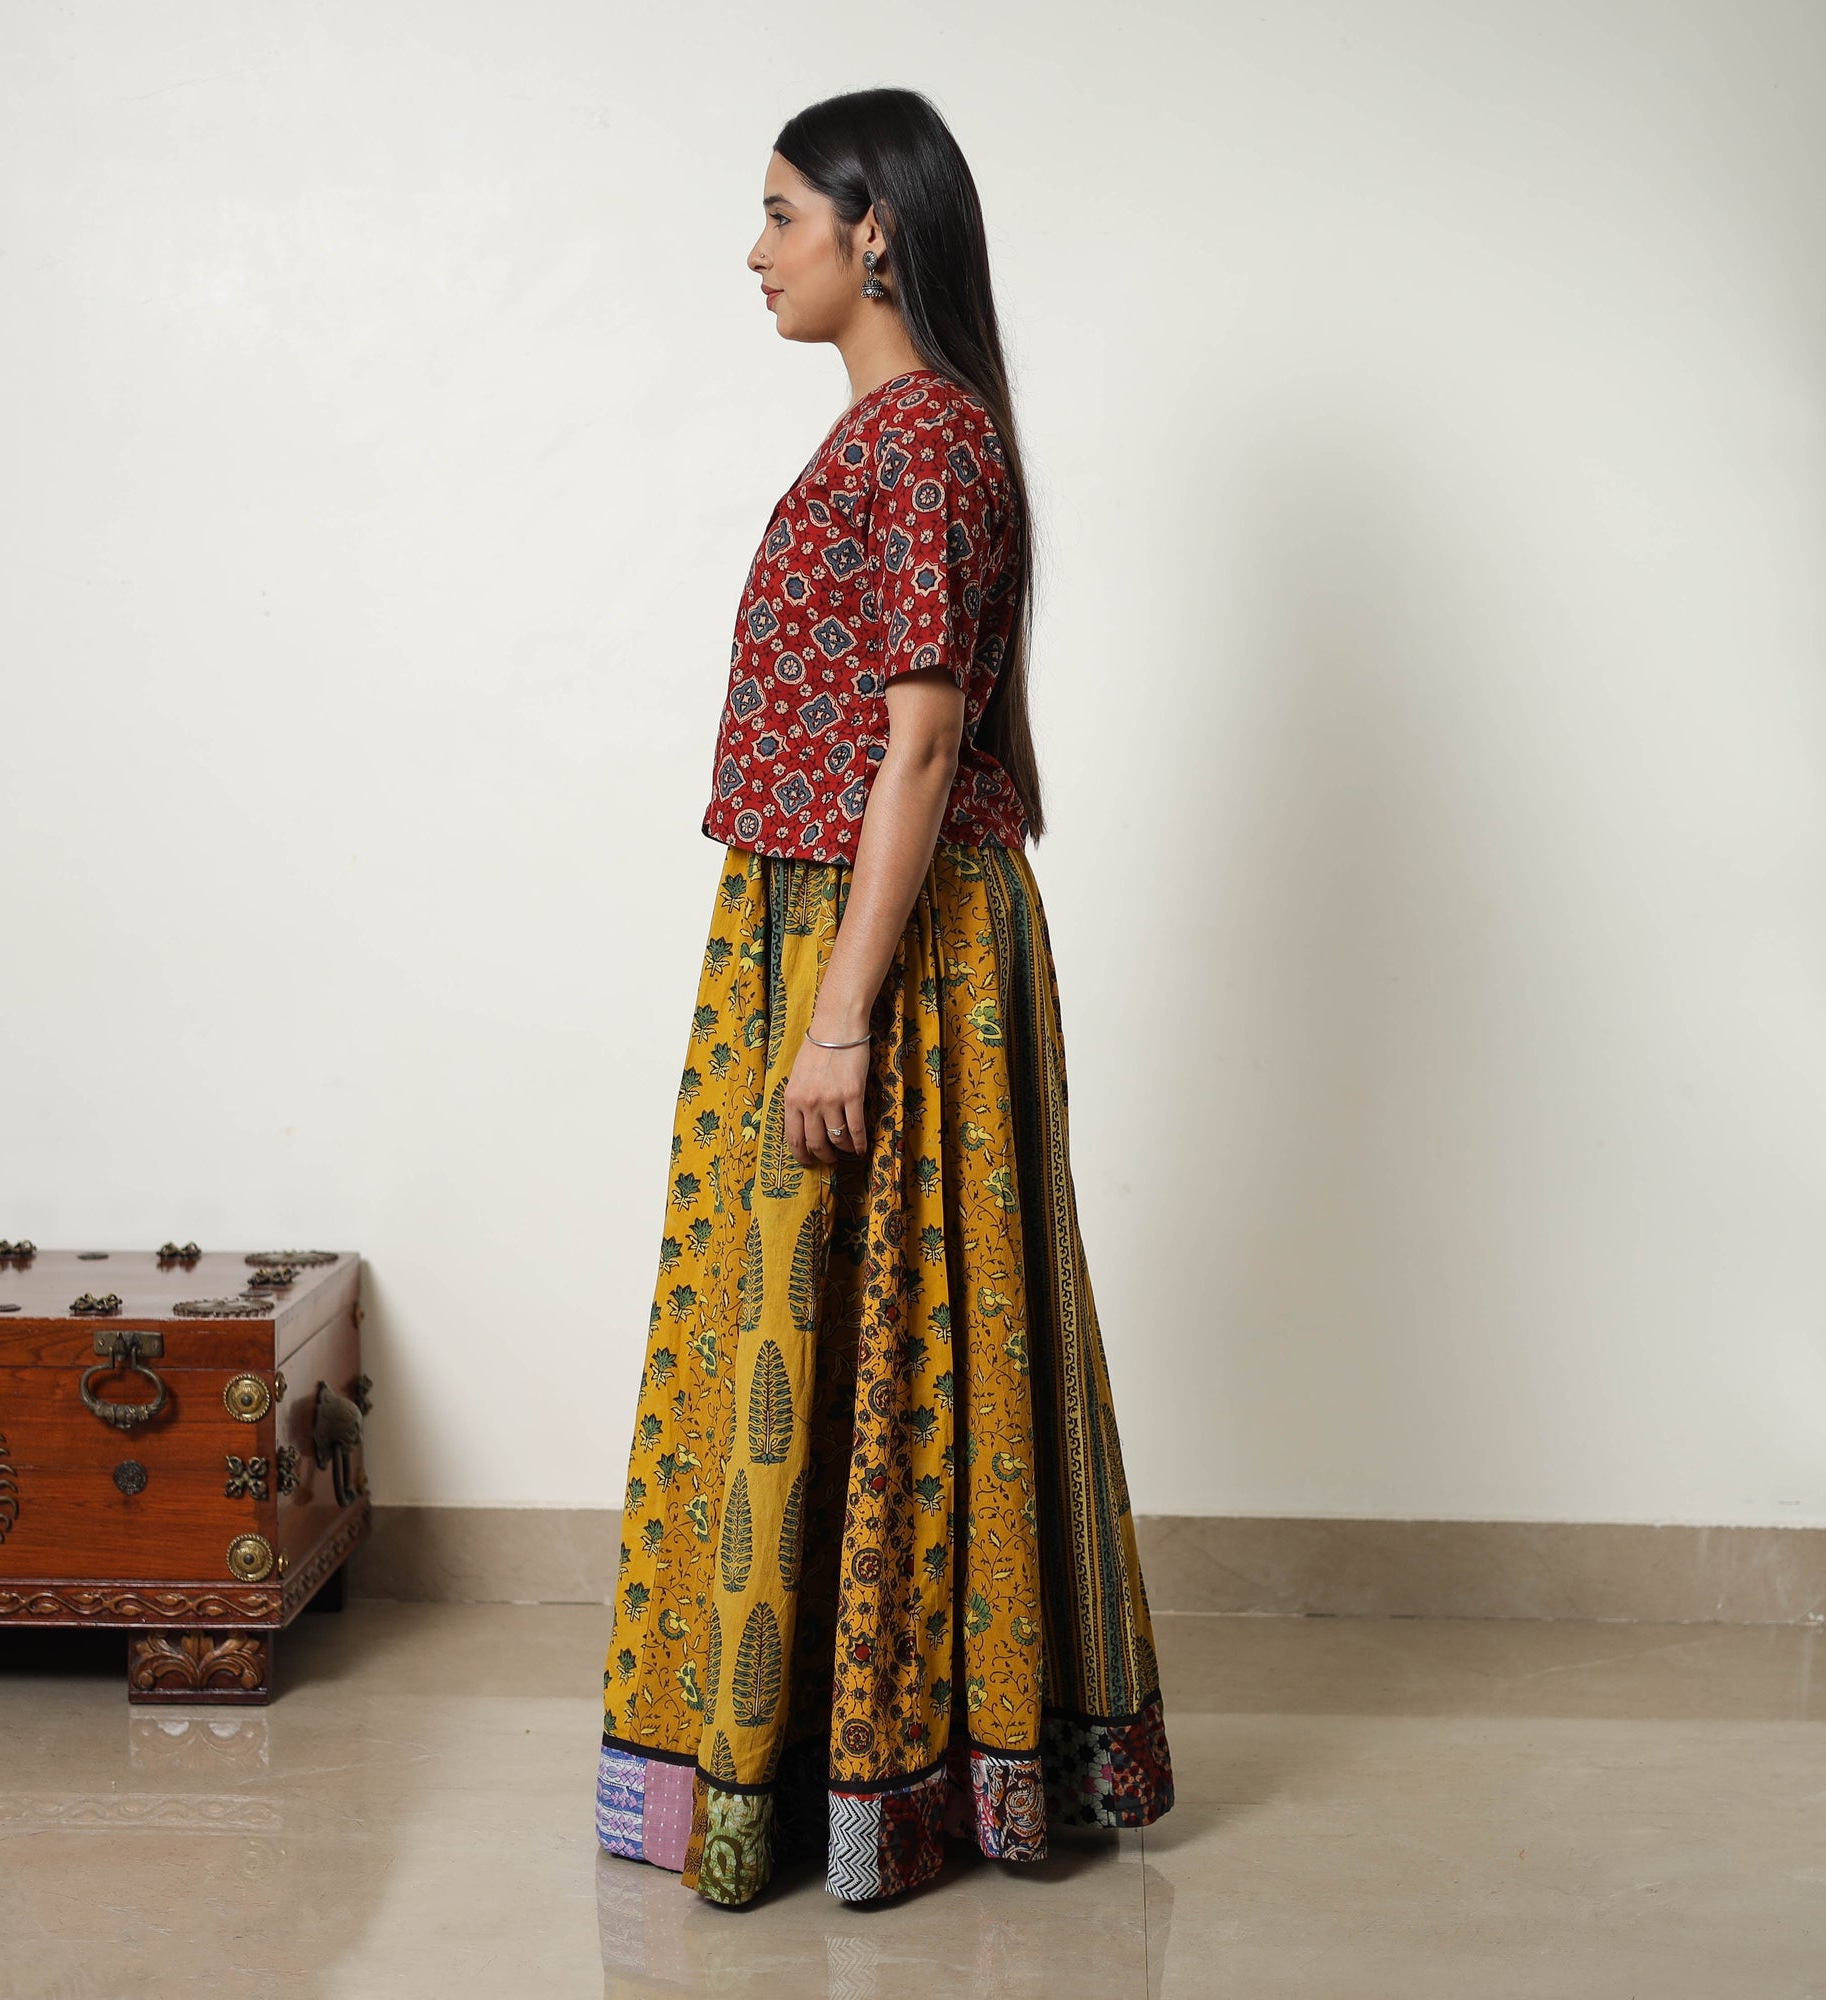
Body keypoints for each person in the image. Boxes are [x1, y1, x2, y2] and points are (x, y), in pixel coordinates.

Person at [593, 85, 1174, 1910]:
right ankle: (826, 1766)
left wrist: (839, 1013)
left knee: (896, 1328)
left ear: (876, 230)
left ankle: (900, 1770)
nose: (755, 253)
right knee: (816, 1328)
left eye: (782, 215)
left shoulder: (923, 441)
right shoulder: (901, 437)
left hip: (886, 951)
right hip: (833, 925)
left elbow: (921, 748)